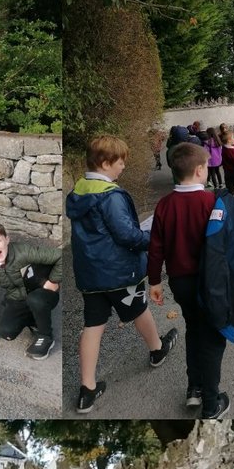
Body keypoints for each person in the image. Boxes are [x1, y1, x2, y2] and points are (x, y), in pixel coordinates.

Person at [67, 134, 177, 414]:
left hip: (90, 274)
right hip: (119, 272)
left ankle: (87, 389)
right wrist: (153, 235)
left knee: (93, 325)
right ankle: (156, 349)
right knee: (139, 309)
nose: (123, 167)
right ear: (105, 163)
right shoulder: (111, 196)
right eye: (120, 162)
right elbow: (127, 235)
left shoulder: (79, 190)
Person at [149, 140, 234, 417]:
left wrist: (154, 281)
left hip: (181, 282)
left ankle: (194, 389)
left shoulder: (164, 206)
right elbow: (228, 244)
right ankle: (211, 402)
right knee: (212, 337)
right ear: (199, 170)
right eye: (207, 167)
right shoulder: (211, 202)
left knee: (194, 330)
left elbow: (156, 247)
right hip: (209, 282)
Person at [0, 220, 60, 359]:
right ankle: (34, 321)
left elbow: (59, 256)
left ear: (7, 240)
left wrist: (53, 280)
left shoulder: (23, 252)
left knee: (36, 300)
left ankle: (45, 336)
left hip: (41, 292)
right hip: (17, 298)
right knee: (6, 332)